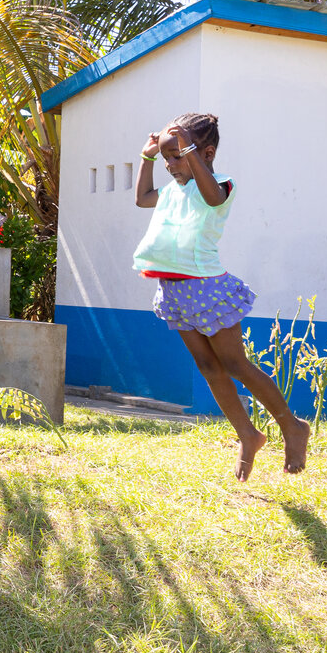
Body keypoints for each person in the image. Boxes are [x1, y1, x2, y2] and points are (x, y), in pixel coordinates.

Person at [134, 113, 311, 480]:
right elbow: (142, 199)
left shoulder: (217, 185)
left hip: (207, 289)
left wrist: (191, 152)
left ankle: (292, 426)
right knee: (207, 367)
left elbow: (213, 198)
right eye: (167, 158)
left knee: (235, 364)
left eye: (176, 156)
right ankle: (247, 435)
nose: (170, 165)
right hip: (174, 290)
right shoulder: (173, 191)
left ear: (205, 152)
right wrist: (147, 157)